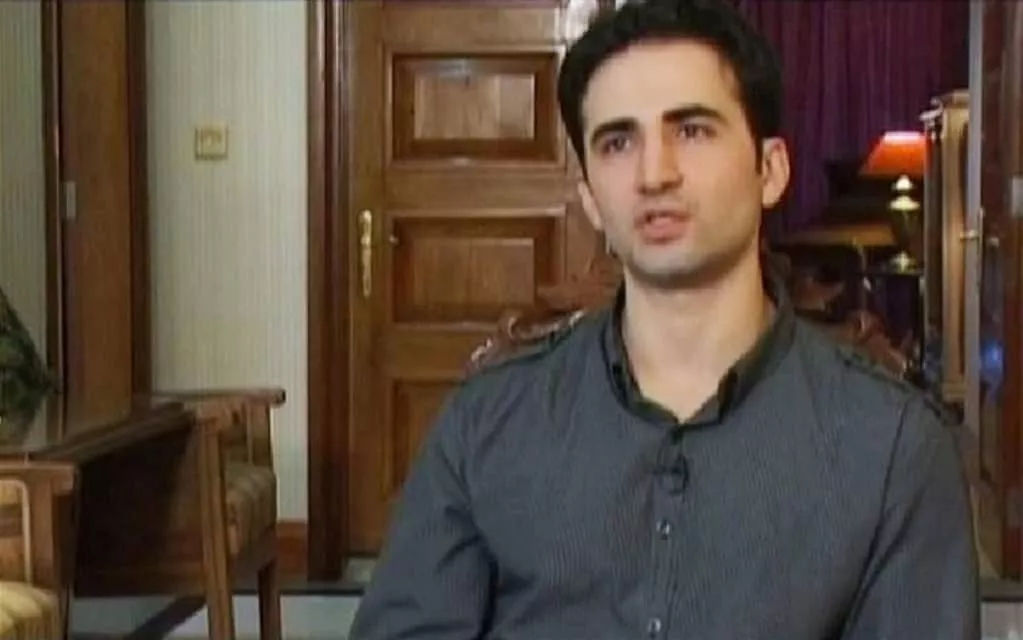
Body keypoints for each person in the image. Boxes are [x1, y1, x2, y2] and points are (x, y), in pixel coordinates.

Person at [348, 0, 980, 637]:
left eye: (692, 130)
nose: (654, 174)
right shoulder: (488, 423)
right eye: (618, 142)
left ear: (770, 170)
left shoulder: (893, 447)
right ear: (590, 199)